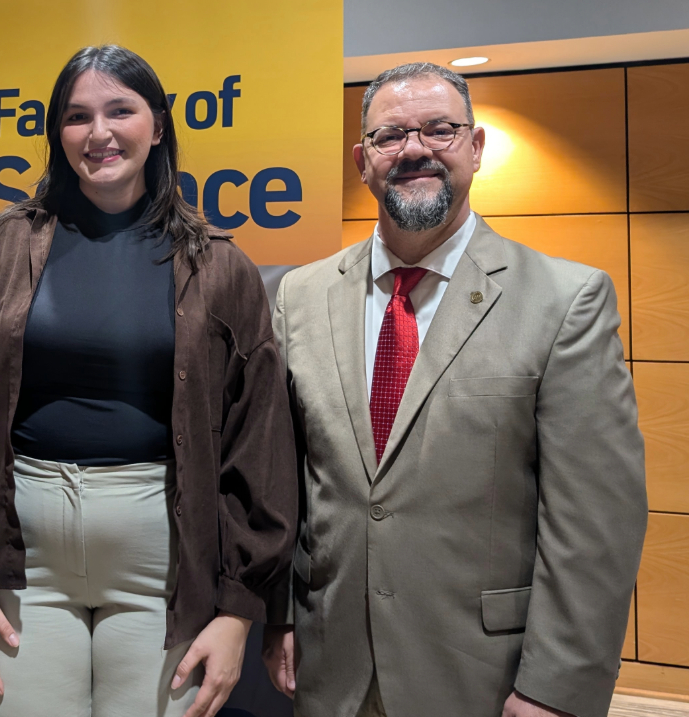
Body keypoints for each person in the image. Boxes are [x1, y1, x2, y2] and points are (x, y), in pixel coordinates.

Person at [0, 44, 296, 717]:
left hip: (164, 560)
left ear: (158, 124)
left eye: (120, 110)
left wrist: (237, 614)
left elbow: (257, 443)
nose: (99, 133)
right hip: (19, 556)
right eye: (77, 116)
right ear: (56, 134)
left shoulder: (219, 268)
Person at [264, 62, 647, 717]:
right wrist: (280, 616)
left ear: (475, 148)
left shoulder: (564, 300)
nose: (413, 149)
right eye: (390, 137)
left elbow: (594, 522)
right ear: (362, 160)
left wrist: (554, 687)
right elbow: (283, 480)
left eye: (438, 130)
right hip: (330, 668)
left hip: (485, 678)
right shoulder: (297, 295)